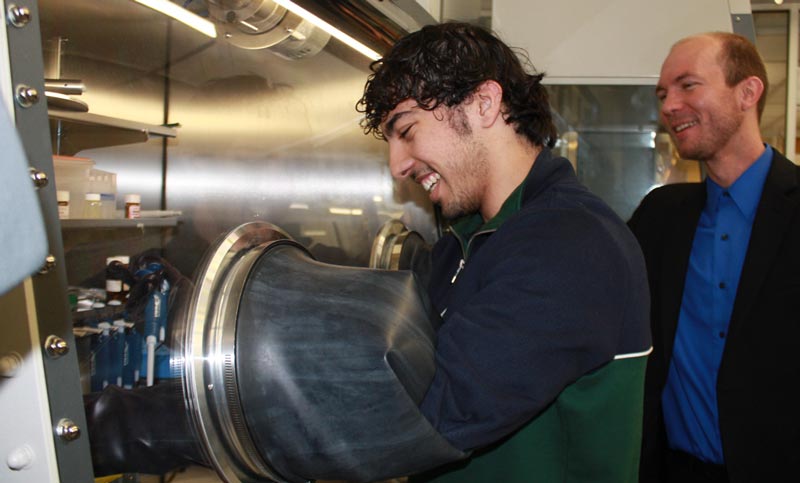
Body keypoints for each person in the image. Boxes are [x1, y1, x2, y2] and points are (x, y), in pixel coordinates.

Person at [358, 22, 652, 483]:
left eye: (407, 130)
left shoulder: (571, 243)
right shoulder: (465, 241)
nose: (398, 166)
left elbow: (434, 409)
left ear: (484, 104)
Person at [629, 32, 800, 483]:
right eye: (663, 94)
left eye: (688, 85)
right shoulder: (658, 217)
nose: (669, 106)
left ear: (748, 92)